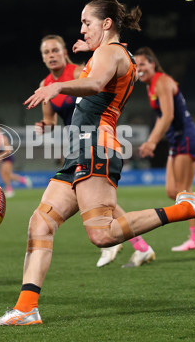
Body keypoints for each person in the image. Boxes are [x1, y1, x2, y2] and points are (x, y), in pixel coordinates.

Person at [0, 0, 195, 326]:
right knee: (40, 224)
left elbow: (96, 84)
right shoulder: (110, 53)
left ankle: (188, 207)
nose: (82, 28)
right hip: (80, 151)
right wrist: (86, 54)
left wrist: (57, 85)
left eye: (87, 22)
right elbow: (99, 79)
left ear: (106, 24)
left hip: (96, 148)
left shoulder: (111, 52)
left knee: (102, 234)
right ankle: (27, 307)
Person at [36, 34, 155, 268]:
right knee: (93, 200)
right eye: (46, 52)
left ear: (64, 52)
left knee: (92, 199)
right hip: (75, 144)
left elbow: (103, 83)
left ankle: (128, 245)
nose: (51, 55)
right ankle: (136, 246)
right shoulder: (45, 86)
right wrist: (44, 126)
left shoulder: (81, 71)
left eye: (55, 50)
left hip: (95, 139)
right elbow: (49, 120)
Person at [135, 47, 195, 251]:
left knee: (183, 192)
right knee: (173, 191)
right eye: (136, 65)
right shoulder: (150, 85)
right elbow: (162, 117)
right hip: (176, 140)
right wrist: (152, 139)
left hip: (186, 138)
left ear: (153, 64)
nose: (138, 68)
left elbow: (168, 115)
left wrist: (152, 142)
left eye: (142, 64)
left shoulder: (161, 81)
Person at [0, 125, 32, 198]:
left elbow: (8, 150)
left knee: (6, 173)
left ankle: (9, 189)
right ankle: (23, 180)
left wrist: (0, 157)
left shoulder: (3, 138)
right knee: (5, 174)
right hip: (2, 157)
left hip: (8, 157)